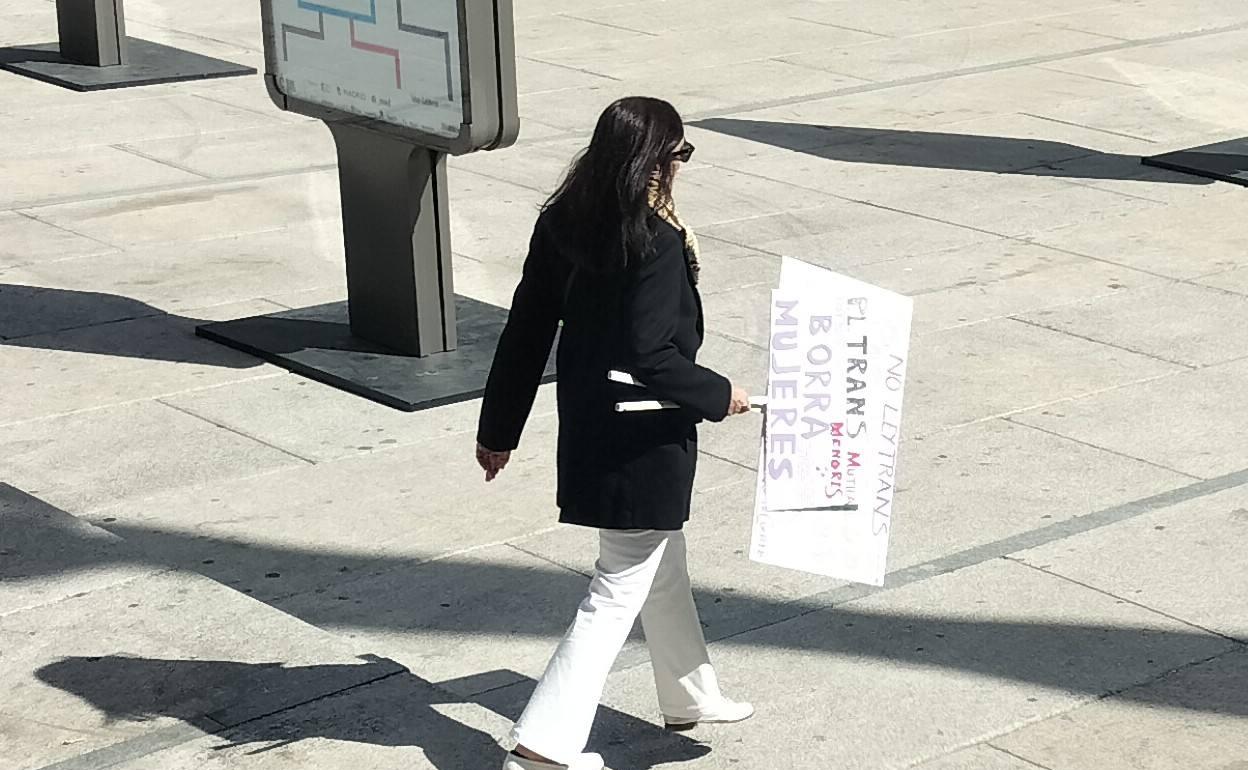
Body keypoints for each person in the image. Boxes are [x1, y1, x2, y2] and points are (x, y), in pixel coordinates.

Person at [476, 96, 755, 770]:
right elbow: (650, 354)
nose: (682, 167)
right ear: (658, 159)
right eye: (681, 154)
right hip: (642, 435)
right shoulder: (653, 239)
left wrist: (498, 429)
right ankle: (542, 748)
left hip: (594, 423)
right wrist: (723, 395)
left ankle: (691, 694)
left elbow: (527, 329)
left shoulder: (564, 219)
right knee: (619, 585)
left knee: (659, 560)